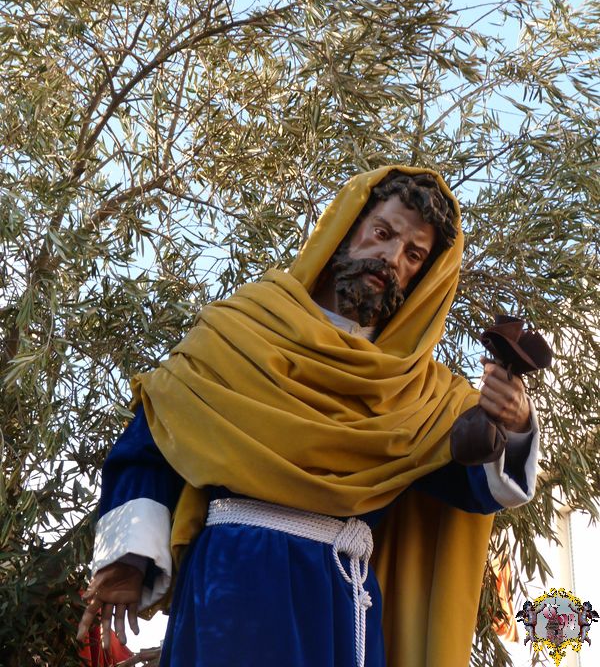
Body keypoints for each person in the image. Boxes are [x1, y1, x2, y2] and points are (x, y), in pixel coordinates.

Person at [77, 166, 538, 667]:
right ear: (346, 229)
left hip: (340, 599)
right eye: (383, 232)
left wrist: (513, 425)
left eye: (413, 255)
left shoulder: (415, 392)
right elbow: (156, 436)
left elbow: (471, 485)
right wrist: (127, 560)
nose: (391, 257)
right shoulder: (241, 330)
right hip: (234, 586)